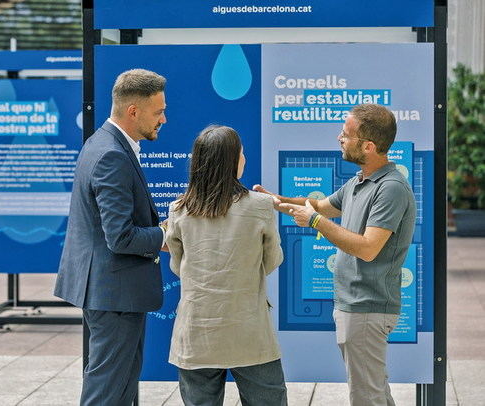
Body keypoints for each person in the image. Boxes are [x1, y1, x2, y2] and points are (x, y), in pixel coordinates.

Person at [255, 104, 416, 406]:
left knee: (366, 396)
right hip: (354, 305)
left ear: (368, 146)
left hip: (367, 306)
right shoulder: (360, 181)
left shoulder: (391, 188)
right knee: (374, 391)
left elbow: (368, 248)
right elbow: (319, 206)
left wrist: (315, 223)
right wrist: (274, 201)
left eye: (345, 135)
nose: (338, 138)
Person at [54, 69, 167, 405]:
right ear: (134, 111)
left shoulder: (102, 143)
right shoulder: (112, 155)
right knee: (106, 391)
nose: (164, 118)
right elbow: (120, 237)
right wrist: (168, 234)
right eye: (158, 111)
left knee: (120, 386)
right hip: (115, 294)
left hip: (112, 291)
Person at [165, 125, 287, 406]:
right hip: (249, 328)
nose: (244, 158)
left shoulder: (179, 209)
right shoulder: (261, 205)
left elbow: (177, 265)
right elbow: (272, 260)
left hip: (196, 331)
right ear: (233, 161)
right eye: (242, 153)